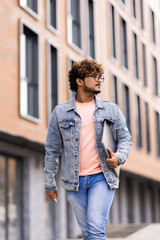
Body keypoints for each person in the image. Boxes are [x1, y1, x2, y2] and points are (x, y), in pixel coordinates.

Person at [44, 59, 132, 240]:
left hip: (102, 177)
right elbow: (52, 150)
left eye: (101, 77)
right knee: (87, 233)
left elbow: (125, 139)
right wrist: (49, 182)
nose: (99, 80)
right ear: (79, 81)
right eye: (94, 76)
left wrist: (119, 157)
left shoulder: (111, 109)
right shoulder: (60, 112)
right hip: (74, 182)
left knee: (95, 228)